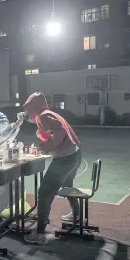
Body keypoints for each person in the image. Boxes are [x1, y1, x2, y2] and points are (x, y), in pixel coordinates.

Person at [22, 92, 82, 245]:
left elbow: (59, 135)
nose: (26, 113)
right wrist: (42, 138)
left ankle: (40, 234)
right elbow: (54, 134)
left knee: (44, 193)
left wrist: (43, 147)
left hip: (64, 158)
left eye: (28, 109)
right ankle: (77, 215)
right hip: (75, 154)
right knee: (68, 185)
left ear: (33, 108)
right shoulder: (49, 114)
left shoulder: (43, 116)